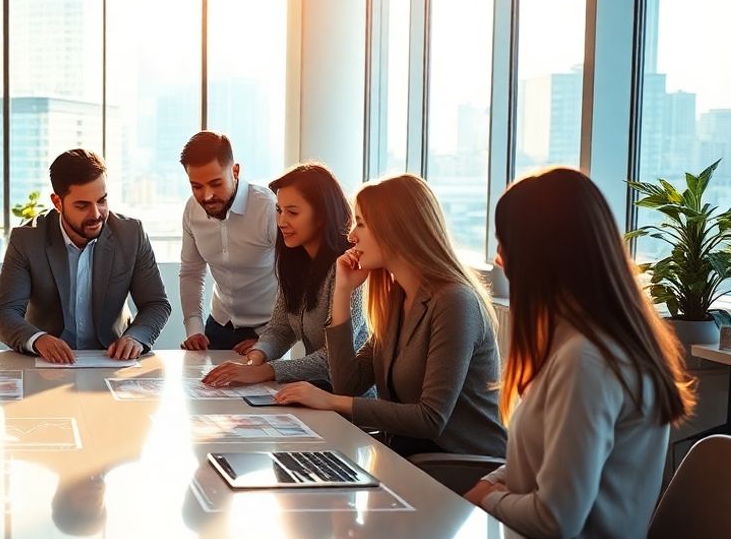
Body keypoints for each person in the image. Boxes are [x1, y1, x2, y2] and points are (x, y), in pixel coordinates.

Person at [465, 168, 694, 539]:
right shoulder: (577, 345)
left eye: (506, 246)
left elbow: (555, 520)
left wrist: (491, 500)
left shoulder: (586, 361)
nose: (500, 260)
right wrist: (488, 485)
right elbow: (542, 463)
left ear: (539, 256)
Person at [273, 173, 506, 458]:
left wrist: (330, 401)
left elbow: (431, 419)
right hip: (409, 457)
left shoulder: (455, 301)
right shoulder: (396, 298)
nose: (351, 236)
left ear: (395, 229)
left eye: (360, 223)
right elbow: (350, 384)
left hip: (458, 465)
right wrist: (341, 292)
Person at [0, 148, 172, 363]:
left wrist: (135, 338)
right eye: (82, 205)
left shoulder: (131, 234)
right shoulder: (28, 240)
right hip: (49, 363)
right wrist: (38, 339)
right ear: (57, 202)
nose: (96, 214)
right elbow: (3, 314)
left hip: (112, 359)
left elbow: (156, 303)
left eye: (101, 201)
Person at [203, 162, 368, 389]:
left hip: (351, 402)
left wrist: (265, 371)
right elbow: (281, 329)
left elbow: (333, 356)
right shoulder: (296, 261)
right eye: (279, 210)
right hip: (314, 392)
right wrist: (255, 358)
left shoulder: (349, 269)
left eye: (293, 212)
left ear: (322, 214)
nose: (281, 221)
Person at [175, 131, 276, 353]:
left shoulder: (268, 208)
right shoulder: (192, 210)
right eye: (197, 186)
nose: (207, 196)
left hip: (266, 329)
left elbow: (294, 280)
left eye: (215, 183)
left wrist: (270, 340)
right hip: (219, 324)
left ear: (235, 171)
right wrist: (194, 329)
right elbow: (191, 272)